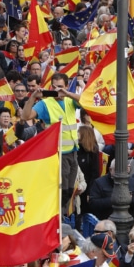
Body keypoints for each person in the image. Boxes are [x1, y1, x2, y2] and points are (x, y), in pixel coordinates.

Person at [19, 72, 82, 214]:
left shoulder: (70, 100)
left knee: (70, 189)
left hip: (73, 151)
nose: (57, 90)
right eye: (54, 87)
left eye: (60, 87)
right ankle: (58, 217)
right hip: (58, 153)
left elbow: (85, 102)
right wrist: (33, 97)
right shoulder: (45, 103)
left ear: (66, 86)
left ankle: (62, 216)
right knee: (62, 189)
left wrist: (67, 94)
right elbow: (25, 116)